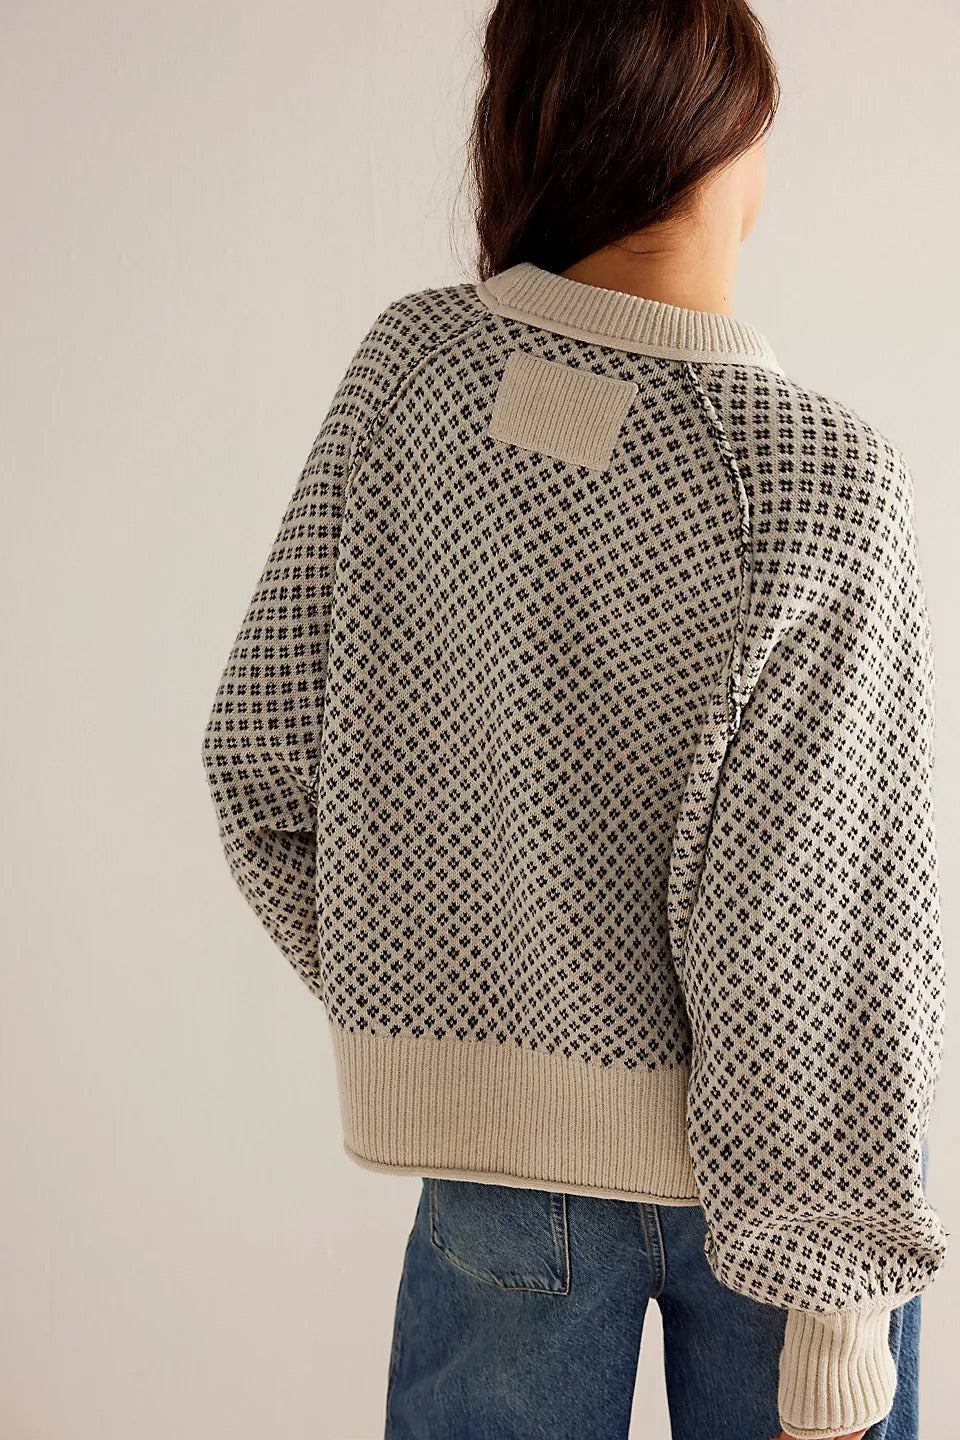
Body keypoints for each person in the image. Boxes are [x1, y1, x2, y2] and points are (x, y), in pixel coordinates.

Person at [200, 2, 948, 1437]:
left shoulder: (411, 380)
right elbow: (833, 940)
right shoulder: (814, 478)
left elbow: (266, 766)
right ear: (722, 146)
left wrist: (447, 1029)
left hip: (499, 1196)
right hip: (790, 1212)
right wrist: (846, 1314)